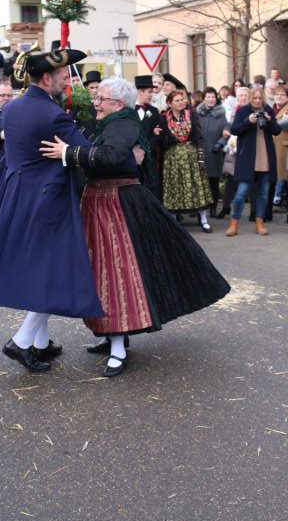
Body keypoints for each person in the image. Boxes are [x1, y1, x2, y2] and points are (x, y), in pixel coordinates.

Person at [40, 77, 230, 376]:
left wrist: (68, 153)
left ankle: (118, 346)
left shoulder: (123, 122)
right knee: (100, 271)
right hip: (100, 202)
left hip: (115, 204)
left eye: (101, 98)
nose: (96, 102)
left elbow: (110, 157)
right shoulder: (111, 121)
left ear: (118, 102)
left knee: (116, 273)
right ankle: (111, 337)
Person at [0, 48, 103, 373]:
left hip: (16, 195)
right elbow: (86, 152)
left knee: (42, 272)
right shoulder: (52, 114)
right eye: (62, 77)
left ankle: (40, 345)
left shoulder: (12, 107)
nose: (66, 82)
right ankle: (21, 340)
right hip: (48, 201)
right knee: (54, 272)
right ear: (46, 79)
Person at [155, 90, 214, 232]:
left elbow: (199, 135)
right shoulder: (163, 118)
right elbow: (163, 142)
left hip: (191, 155)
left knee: (197, 186)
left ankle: (204, 220)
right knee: (175, 186)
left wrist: (200, 155)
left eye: (182, 99)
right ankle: (175, 221)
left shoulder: (191, 114)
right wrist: (158, 135)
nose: (181, 102)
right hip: (172, 158)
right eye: (177, 100)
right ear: (169, 103)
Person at [226, 88, 281, 236]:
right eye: (254, 98)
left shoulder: (269, 110)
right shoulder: (243, 111)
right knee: (241, 192)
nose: (257, 101)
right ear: (251, 98)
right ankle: (234, 223)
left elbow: (277, 131)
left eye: (259, 98)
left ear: (263, 98)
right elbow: (235, 129)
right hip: (247, 158)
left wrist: (269, 121)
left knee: (263, 193)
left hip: (265, 157)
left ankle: (259, 223)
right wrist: (248, 121)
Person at [197, 87, 231, 217]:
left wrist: (220, 143)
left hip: (214, 151)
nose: (210, 99)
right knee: (200, 182)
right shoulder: (197, 113)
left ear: (216, 98)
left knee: (213, 183)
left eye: (212, 97)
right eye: (208, 97)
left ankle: (213, 208)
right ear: (204, 98)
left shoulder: (221, 114)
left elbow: (227, 127)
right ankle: (199, 208)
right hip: (199, 151)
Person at [134, 74, 161, 196]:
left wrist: (145, 148)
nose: (152, 95)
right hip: (133, 158)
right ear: (140, 91)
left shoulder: (154, 111)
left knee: (152, 189)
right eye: (149, 92)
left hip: (150, 157)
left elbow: (158, 134)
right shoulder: (128, 110)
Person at [271, 84, 288, 207]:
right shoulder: (270, 109)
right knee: (274, 174)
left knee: (284, 175)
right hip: (272, 146)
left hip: (284, 147)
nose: (279, 96)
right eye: (277, 94)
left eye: (282, 94)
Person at [217, 135, 238, 219]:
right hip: (232, 153)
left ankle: (254, 210)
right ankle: (225, 207)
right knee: (230, 185)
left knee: (248, 187)